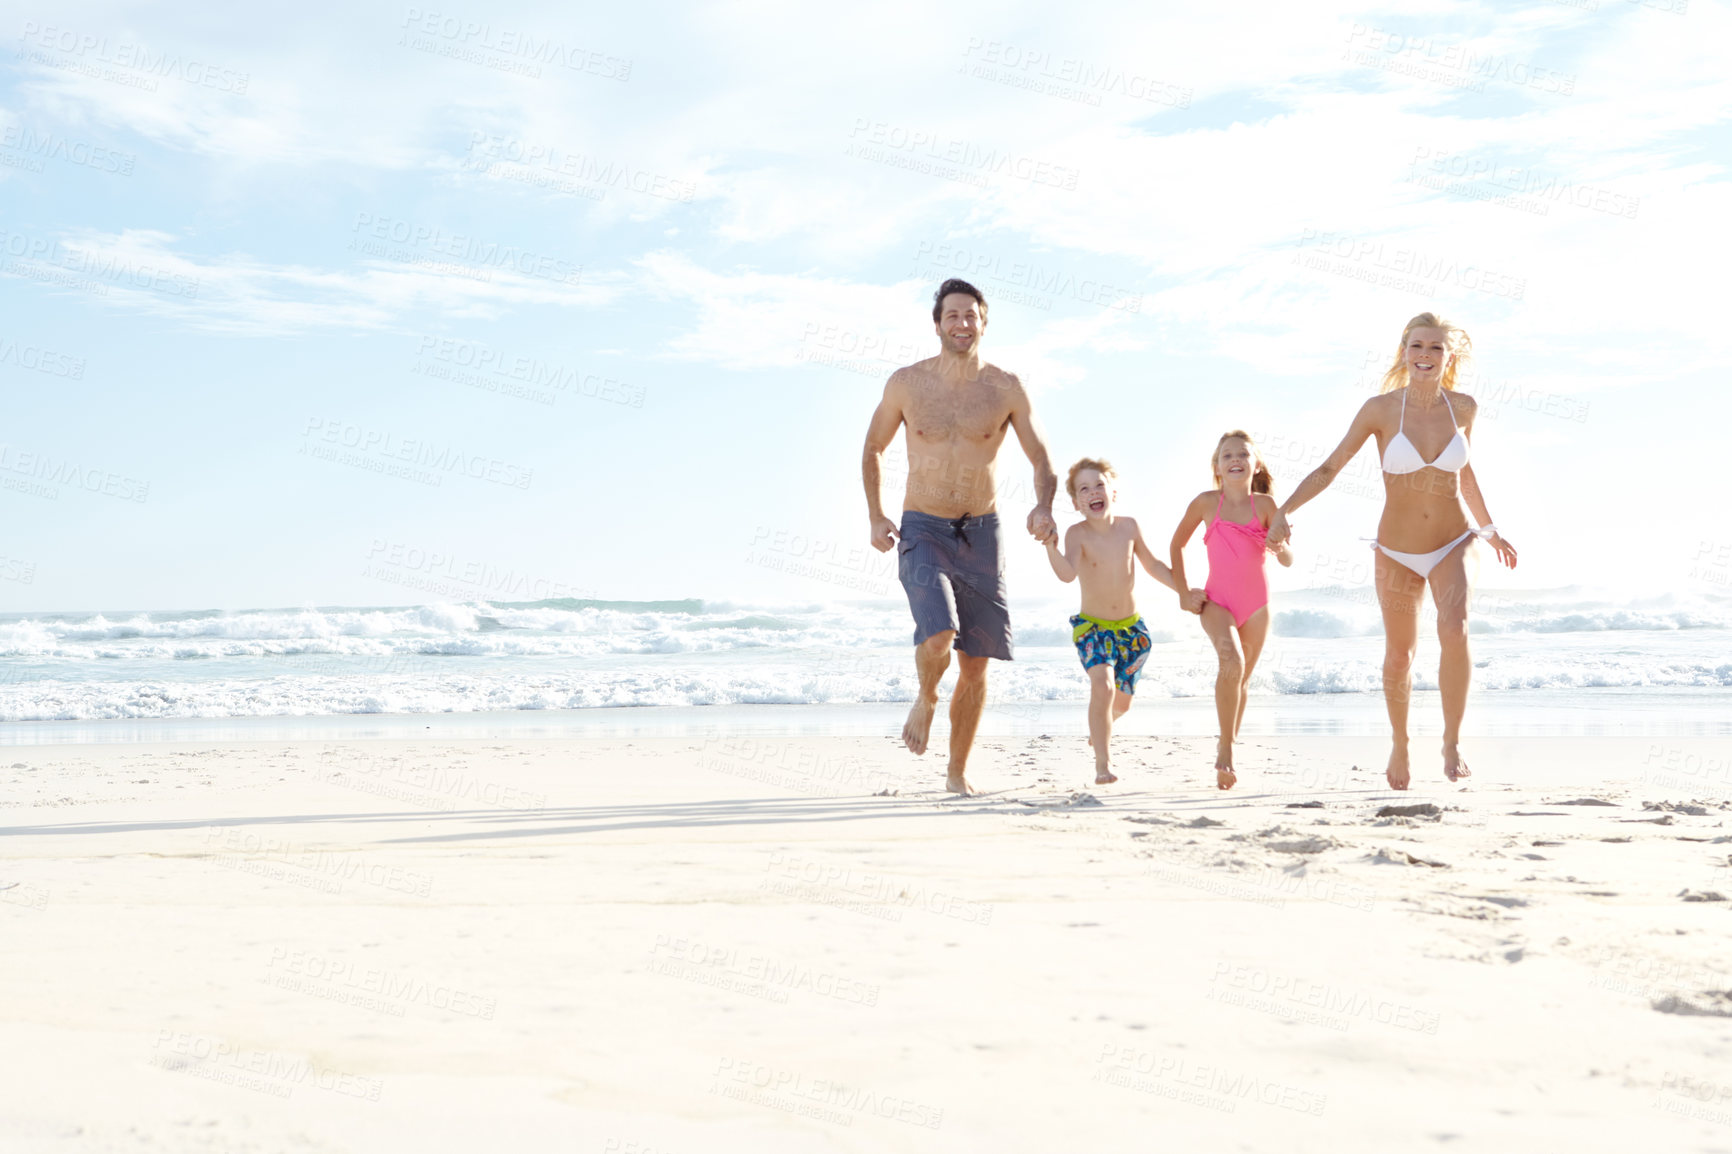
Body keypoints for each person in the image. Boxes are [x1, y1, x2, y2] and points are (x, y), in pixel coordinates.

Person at [1271, 313, 1518, 789]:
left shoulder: (1464, 408)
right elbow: (1330, 468)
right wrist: (1284, 510)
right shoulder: (1380, 410)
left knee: (1455, 626)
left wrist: (1489, 531)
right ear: (1404, 351)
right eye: (1417, 346)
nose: (1425, 355)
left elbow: (1465, 474)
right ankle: (1400, 742)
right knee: (1400, 655)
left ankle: (1451, 741)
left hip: (1454, 539)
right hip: (1397, 550)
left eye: (1436, 348)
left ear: (1449, 357)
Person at [862, 278, 1057, 795]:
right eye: (952, 315)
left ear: (984, 321)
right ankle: (926, 698)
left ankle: (955, 774)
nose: (962, 323)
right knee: (940, 636)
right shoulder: (907, 383)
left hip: (983, 534)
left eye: (971, 315)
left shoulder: (1005, 388)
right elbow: (873, 447)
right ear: (937, 324)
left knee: (974, 666)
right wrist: (876, 514)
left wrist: (1043, 504)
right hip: (922, 526)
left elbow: (1041, 457)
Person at [1042, 459, 1187, 785]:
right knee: (1103, 686)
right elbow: (1067, 574)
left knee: (1122, 704)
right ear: (1077, 503)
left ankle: (1101, 727)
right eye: (1084, 489)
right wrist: (1051, 548)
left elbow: (1153, 566)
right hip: (1093, 629)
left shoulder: (1130, 527)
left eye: (1099, 485)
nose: (1093, 492)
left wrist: (1185, 591)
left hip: (1132, 631)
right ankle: (1102, 765)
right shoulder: (1076, 534)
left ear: (1113, 492)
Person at [1168, 432, 1292, 790]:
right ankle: (1225, 748)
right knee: (1231, 663)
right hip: (1216, 601)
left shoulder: (1267, 506)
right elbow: (1176, 545)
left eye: (1242, 454)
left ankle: (1228, 748)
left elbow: (1286, 558)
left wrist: (1280, 545)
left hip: (1257, 605)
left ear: (1256, 465)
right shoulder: (1207, 503)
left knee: (1243, 679)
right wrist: (1182, 593)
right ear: (1218, 467)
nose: (1234, 459)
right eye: (1227, 455)